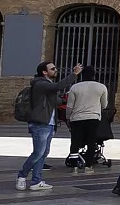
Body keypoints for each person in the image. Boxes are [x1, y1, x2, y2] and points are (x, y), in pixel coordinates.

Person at [15, 60, 81, 191]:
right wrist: (74, 74)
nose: (55, 70)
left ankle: (36, 181)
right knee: (38, 153)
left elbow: (55, 100)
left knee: (43, 153)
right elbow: (58, 87)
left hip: (49, 124)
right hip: (40, 124)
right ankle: (21, 176)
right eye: (52, 68)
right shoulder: (40, 84)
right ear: (44, 72)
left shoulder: (47, 86)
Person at [65, 66, 109, 170]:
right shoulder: (101, 87)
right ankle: (89, 165)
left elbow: (70, 105)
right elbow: (104, 105)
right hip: (93, 118)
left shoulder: (75, 87)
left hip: (77, 118)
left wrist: (68, 117)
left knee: (75, 142)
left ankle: (74, 164)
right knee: (91, 141)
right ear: (94, 74)